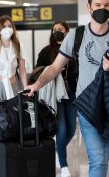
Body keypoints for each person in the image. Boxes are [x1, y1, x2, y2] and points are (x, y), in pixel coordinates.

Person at [25, 0, 109, 176]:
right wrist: (36, 84)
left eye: (107, 5)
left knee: (103, 159)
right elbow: (55, 67)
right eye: (98, 5)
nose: (103, 9)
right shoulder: (76, 36)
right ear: (89, 7)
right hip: (87, 107)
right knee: (98, 159)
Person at [36, 20, 75, 177]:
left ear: (66, 31)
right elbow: (37, 71)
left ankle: (57, 152)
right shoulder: (45, 52)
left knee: (71, 130)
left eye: (60, 29)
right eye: (54, 29)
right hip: (55, 96)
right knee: (62, 128)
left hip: (71, 95)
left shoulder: (73, 50)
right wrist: (52, 69)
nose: (57, 31)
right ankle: (64, 165)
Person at [0, 15, 28, 108]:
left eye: (10, 26)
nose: (7, 29)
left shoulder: (19, 46)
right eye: (4, 26)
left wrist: (26, 88)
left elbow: (22, 70)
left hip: (13, 85)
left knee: (13, 116)